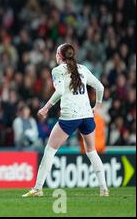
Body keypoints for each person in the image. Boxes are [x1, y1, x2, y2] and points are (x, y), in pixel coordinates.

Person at [23, 43, 109, 197]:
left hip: (70, 116)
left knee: (49, 150)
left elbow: (61, 91)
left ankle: (37, 188)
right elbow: (100, 87)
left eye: (57, 53)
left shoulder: (57, 70)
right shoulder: (82, 68)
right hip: (87, 116)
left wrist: (46, 108)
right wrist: (97, 106)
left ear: (60, 56)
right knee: (92, 152)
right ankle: (104, 189)